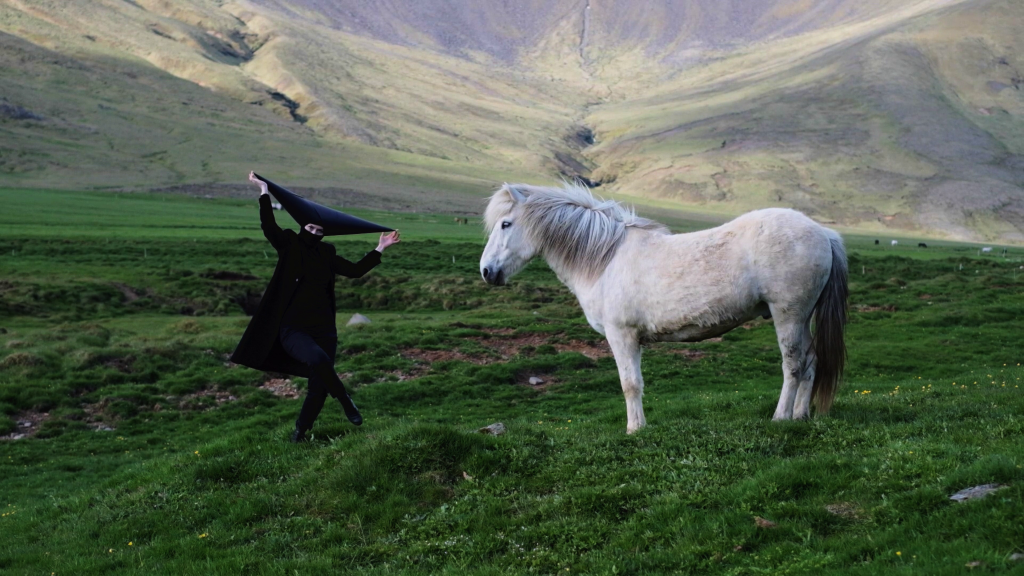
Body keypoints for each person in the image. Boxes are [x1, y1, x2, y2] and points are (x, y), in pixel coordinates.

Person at [231, 172, 400, 442]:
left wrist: (380, 248)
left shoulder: (326, 253)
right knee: (319, 360)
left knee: (318, 386)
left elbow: (355, 271)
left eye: (320, 231)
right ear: (302, 227)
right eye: (310, 229)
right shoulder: (289, 244)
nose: (315, 233)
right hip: (293, 328)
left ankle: (300, 432)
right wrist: (264, 191)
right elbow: (268, 226)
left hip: (324, 328)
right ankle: (346, 400)